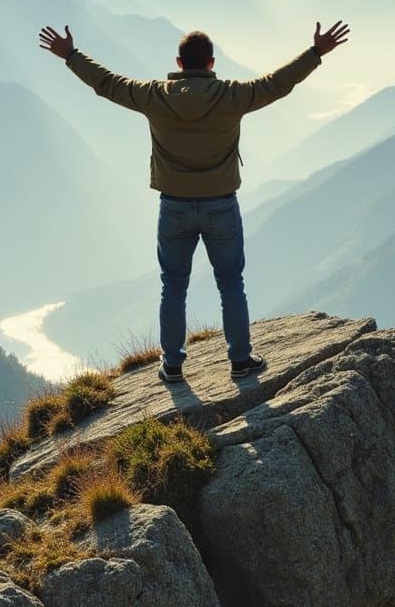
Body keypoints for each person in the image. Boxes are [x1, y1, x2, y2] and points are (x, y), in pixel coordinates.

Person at [37, 21, 350, 383]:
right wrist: (315, 54)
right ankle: (240, 360)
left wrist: (71, 56)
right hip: (221, 206)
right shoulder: (233, 96)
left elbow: (107, 84)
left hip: (174, 207)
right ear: (212, 64)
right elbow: (279, 83)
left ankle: (171, 365)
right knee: (231, 283)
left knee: (173, 286)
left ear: (179, 63)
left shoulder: (155, 95)